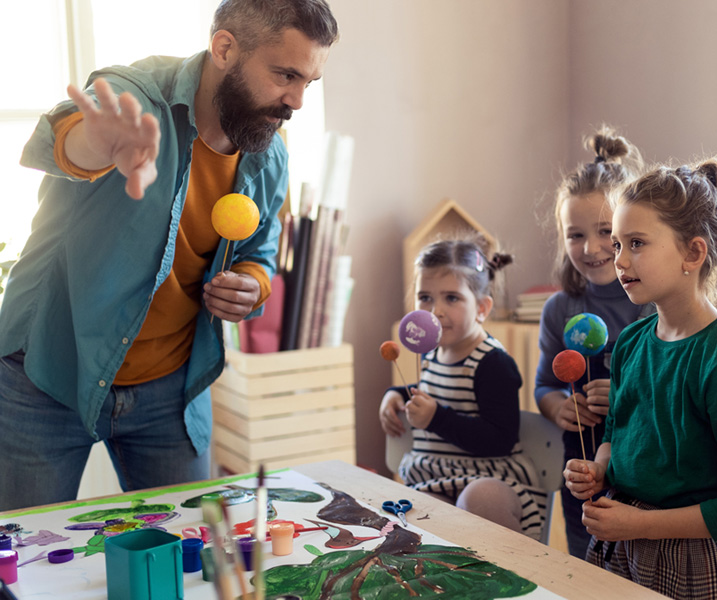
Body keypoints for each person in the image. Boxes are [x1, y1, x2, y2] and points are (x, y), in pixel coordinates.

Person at [0, 0, 339, 511]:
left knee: (187, 564)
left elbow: (259, 252)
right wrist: (104, 141)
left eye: (307, 82)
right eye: (285, 74)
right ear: (224, 47)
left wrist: (251, 284)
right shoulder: (136, 93)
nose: (296, 100)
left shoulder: (268, 151)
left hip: (169, 390)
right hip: (49, 370)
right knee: (21, 570)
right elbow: (63, 140)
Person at [563, 157, 717, 599]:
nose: (618, 259)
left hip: (693, 562)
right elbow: (616, 434)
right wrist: (599, 468)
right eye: (618, 243)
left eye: (636, 243)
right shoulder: (631, 343)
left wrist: (641, 523)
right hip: (621, 545)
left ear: (693, 253)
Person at [534, 125, 652, 559]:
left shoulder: (651, 308)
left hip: (638, 468)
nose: (592, 248)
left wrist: (621, 394)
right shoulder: (559, 310)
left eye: (606, 231)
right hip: (580, 468)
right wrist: (557, 406)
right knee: (587, 558)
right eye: (575, 235)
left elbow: (668, 399)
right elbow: (544, 386)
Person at [378, 237, 545, 539]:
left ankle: (506, 576)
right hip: (435, 480)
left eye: (452, 298)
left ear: (482, 308)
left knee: (479, 499)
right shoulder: (431, 352)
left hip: (488, 478)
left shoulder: (492, 363)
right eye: (425, 297)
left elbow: (500, 439)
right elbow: (434, 389)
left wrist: (436, 419)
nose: (436, 310)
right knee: (418, 518)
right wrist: (396, 394)